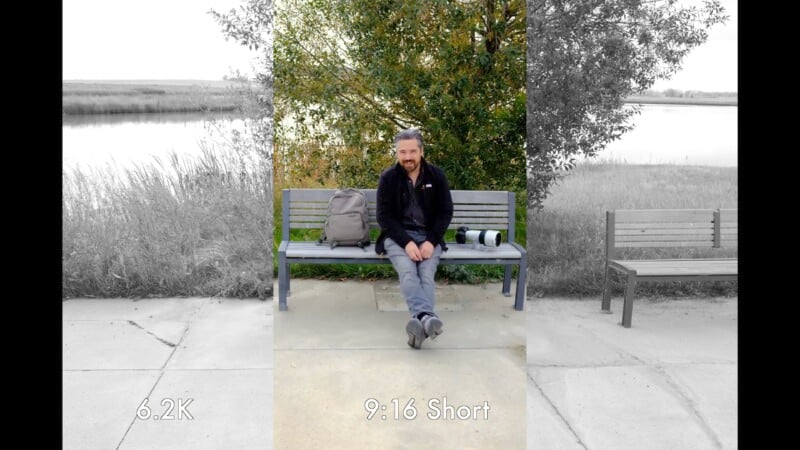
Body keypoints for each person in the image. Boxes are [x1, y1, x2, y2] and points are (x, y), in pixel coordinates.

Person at [375, 128, 454, 349]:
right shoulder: (388, 178)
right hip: (397, 237)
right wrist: (407, 243)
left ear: (421, 151)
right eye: (402, 152)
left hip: (429, 237)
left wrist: (431, 241)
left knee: (426, 274)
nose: (407, 157)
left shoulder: (436, 175)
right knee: (409, 272)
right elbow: (384, 217)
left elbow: (445, 212)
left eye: (412, 151)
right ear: (397, 153)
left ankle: (420, 325)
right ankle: (427, 318)